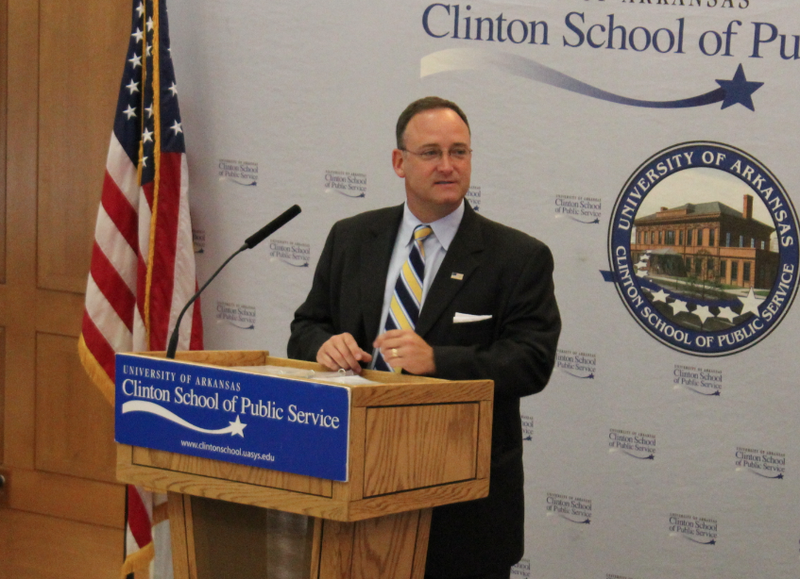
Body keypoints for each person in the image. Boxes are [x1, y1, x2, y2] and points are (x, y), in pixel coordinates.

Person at [288, 96, 561, 579]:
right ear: (399, 162)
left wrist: (439, 360)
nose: (448, 166)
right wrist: (321, 347)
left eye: (460, 152)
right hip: (354, 483)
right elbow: (307, 326)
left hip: (461, 507)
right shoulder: (351, 237)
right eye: (431, 153)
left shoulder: (518, 256)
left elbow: (531, 361)